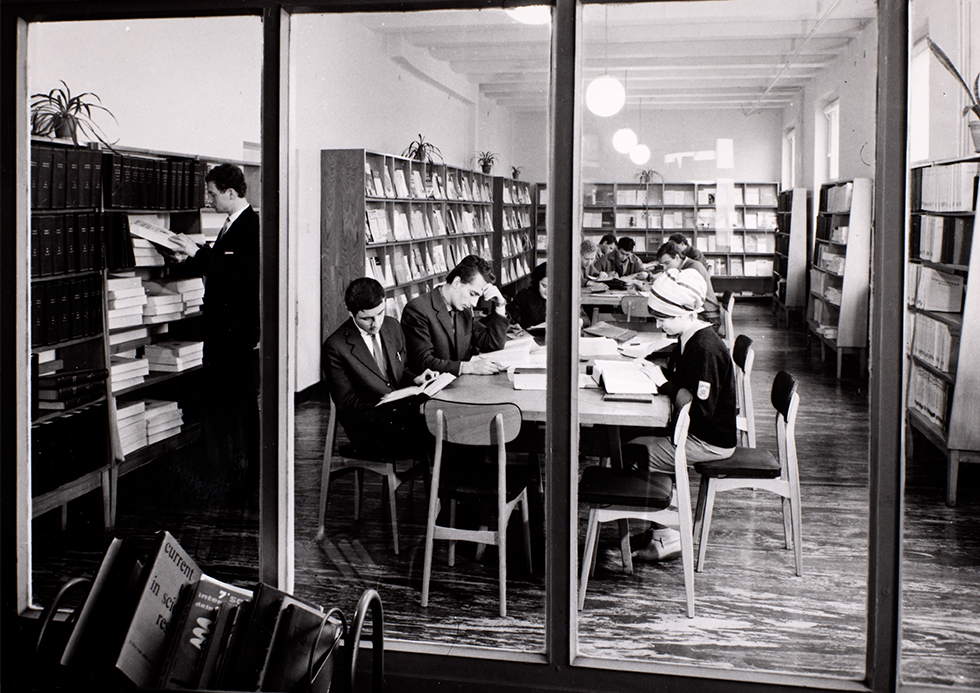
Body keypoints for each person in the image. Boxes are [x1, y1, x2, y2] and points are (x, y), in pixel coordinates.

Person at [624, 267, 737, 560]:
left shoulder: (705, 348)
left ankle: (668, 537)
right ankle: (661, 526)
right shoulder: (690, 337)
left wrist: (663, 383)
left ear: (685, 313)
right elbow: (684, 381)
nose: (658, 324)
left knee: (638, 453)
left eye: (663, 318)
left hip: (708, 441)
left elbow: (700, 412)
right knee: (636, 441)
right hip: (694, 432)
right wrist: (657, 372)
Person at [170, 163, 259, 501]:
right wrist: (189, 257)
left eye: (212, 193)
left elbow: (237, 275)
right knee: (224, 400)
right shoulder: (231, 223)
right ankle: (227, 471)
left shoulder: (250, 226)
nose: (208, 200)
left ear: (231, 192)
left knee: (238, 403)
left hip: (234, 331)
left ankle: (245, 474)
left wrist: (197, 253)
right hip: (222, 329)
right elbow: (222, 265)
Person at [322, 277, 438, 457]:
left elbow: (400, 371)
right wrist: (389, 403)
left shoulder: (392, 326)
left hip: (400, 415)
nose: (375, 323)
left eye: (380, 313)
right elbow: (348, 406)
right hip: (369, 427)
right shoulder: (336, 347)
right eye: (366, 318)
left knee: (444, 425)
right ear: (350, 313)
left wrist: (416, 379)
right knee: (437, 433)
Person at [401, 254, 509, 376]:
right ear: (457, 282)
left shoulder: (464, 309)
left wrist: (500, 304)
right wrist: (467, 367)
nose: (474, 303)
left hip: (461, 383)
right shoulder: (418, 309)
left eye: (478, 296)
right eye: (472, 294)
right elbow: (423, 362)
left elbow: (492, 343)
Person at [656, 240, 721, 331]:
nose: (665, 268)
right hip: (703, 314)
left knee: (669, 323)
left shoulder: (692, 268)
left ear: (677, 257)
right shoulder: (686, 266)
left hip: (708, 318)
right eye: (663, 265)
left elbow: (683, 299)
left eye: (667, 263)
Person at [509, 262, 548, 329]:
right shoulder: (524, 295)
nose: (547, 291)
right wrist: (513, 325)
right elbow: (509, 317)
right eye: (544, 286)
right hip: (531, 334)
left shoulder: (563, 297)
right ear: (537, 282)